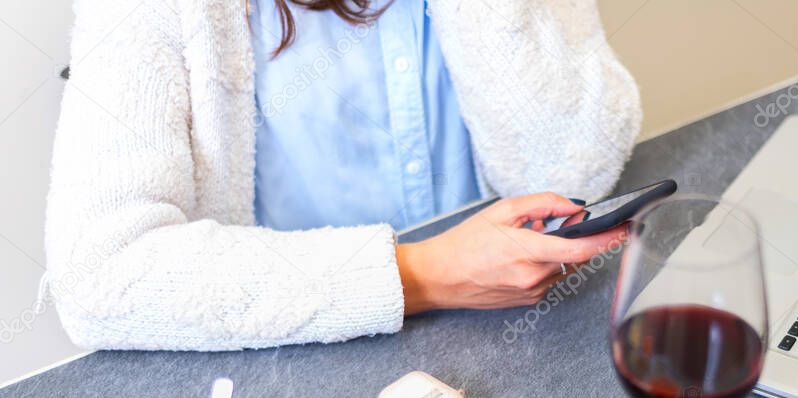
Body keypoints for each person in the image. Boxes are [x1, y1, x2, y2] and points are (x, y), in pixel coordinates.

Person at [44, 0, 641, 351]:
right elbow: (99, 276)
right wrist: (424, 275)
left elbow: (574, 165)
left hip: (510, 331)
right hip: (285, 354)